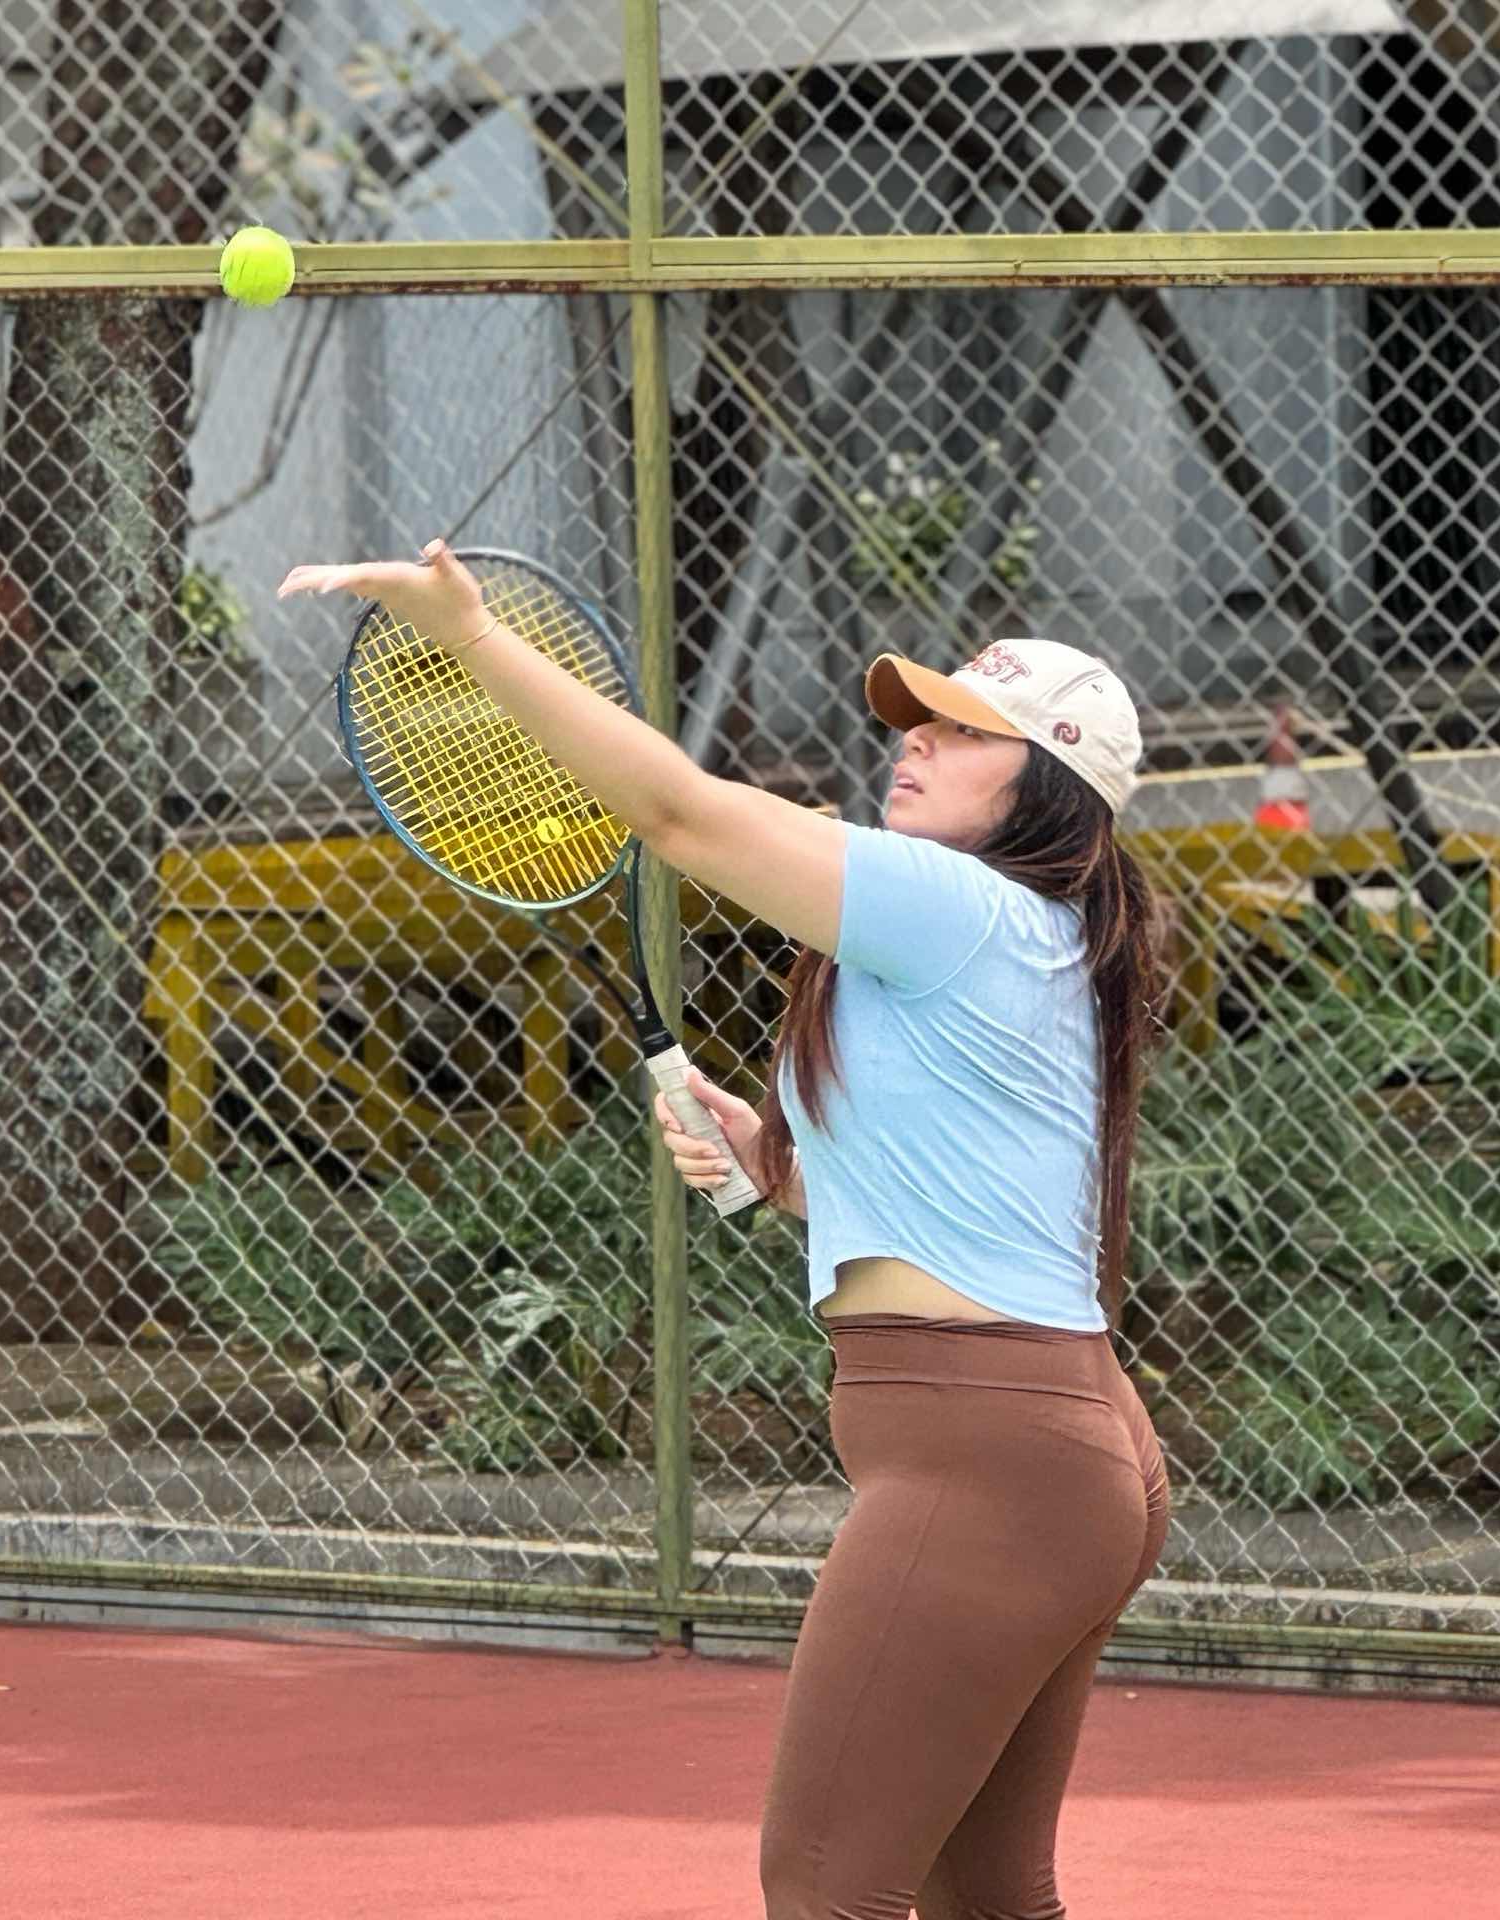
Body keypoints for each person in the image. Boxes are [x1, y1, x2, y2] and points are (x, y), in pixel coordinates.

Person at [277, 541, 1172, 1920]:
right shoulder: (1033, 934)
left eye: (962, 732)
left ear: (1050, 782)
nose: (916, 742)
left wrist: (470, 636)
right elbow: (974, 1190)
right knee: (989, 1896)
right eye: (917, 720)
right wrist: (778, 1167)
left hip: (991, 1457)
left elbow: (677, 814)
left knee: (823, 1888)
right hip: (1069, 1444)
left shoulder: (951, 907)